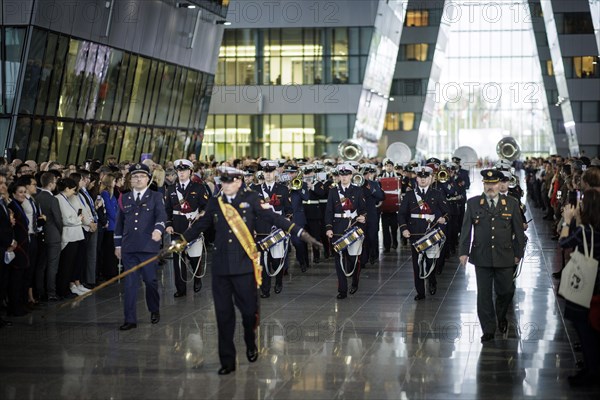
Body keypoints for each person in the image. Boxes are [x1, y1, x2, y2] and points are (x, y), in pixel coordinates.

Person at [181, 167, 321, 375]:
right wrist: (180, 241)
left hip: (244, 266)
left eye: (229, 181)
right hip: (220, 268)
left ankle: (250, 340)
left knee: (248, 313)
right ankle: (227, 361)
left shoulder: (252, 199)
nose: (225, 185)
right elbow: (200, 225)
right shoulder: (215, 202)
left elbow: (275, 218)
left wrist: (300, 233)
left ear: (238, 181)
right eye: (223, 181)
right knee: (223, 315)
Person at [459, 169, 525, 343]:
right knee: (484, 295)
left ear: (499, 184)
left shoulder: (511, 203)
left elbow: (518, 231)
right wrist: (464, 252)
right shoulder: (473, 203)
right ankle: (488, 328)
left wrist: (519, 253)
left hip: (505, 255)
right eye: (488, 184)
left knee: (506, 291)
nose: (491, 187)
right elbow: (466, 229)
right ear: (484, 184)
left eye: (494, 184)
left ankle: (501, 315)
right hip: (482, 255)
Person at [114, 163, 167, 331]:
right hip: (129, 247)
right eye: (135, 176)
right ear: (130, 180)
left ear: (148, 179)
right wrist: (117, 245)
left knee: (150, 281)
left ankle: (154, 309)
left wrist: (158, 230)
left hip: (148, 247)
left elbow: (161, 216)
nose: (138, 179)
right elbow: (119, 224)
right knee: (130, 284)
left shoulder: (156, 196)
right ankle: (130, 319)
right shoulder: (124, 198)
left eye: (142, 176)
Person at [559, 190, 600, 387]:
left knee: (584, 327)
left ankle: (591, 370)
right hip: (598, 283)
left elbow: (564, 242)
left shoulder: (585, 231)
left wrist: (567, 221)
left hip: (586, 282)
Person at [398, 166, 449, 300]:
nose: (423, 179)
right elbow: (402, 214)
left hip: (431, 231)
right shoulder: (409, 195)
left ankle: (431, 280)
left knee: (431, 260)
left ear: (431, 178)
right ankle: (420, 291)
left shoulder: (437, 193)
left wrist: (444, 219)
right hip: (415, 232)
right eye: (420, 177)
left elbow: (447, 212)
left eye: (425, 177)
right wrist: (404, 229)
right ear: (417, 178)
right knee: (417, 263)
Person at [164, 159, 210, 297]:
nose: (181, 173)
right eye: (179, 171)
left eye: (184, 170)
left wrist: (201, 214)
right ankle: (181, 289)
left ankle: (197, 279)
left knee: (195, 257)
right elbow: (167, 209)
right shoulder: (171, 189)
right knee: (178, 260)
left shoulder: (198, 187)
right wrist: (168, 224)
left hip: (193, 227)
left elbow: (207, 206)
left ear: (190, 172)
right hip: (177, 228)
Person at [250, 160, 293, 297]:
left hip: (277, 229)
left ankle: (279, 280)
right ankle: (265, 290)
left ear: (275, 173)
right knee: (262, 261)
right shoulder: (255, 189)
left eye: (271, 172)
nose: (268, 174)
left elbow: (289, 210)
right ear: (262, 173)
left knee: (276, 259)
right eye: (266, 172)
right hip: (261, 228)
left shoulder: (283, 189)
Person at [325, 164, 367, 299]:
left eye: (346, 174)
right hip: (338, 228)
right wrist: (329, 228)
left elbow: (363, 209)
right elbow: (329, 211)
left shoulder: (358, 190)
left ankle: (354, 282)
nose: (344, 177)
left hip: (353, 227)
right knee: (339, 260)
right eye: (341, 175)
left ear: (351, 176)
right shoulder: (333, 191)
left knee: (353, 258)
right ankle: (342, 289)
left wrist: (363, 217)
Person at [35, 172, 63, 302]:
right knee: (52, 266)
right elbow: (58, 219)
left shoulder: (36, 197)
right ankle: (51, 292)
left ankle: (39, 292)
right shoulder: (53, 199)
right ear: (51, 184)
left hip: (41, 235)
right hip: (53, 236)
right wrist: (60, 231)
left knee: (41, 266)